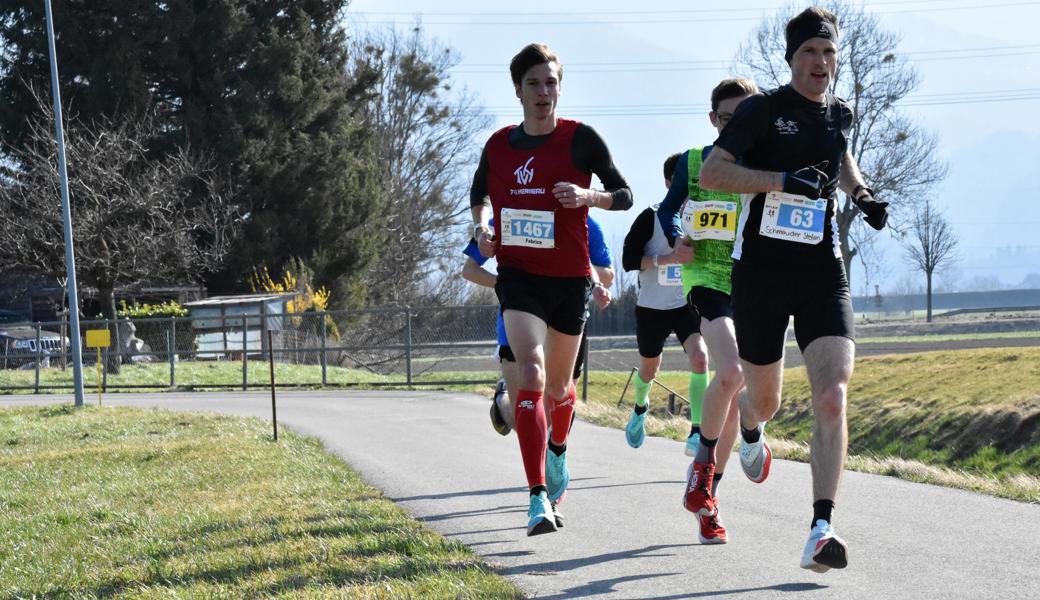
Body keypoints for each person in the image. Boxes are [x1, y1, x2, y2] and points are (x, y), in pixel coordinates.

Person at [698, 7, 889, 570]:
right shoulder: (761, 112)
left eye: (828, 53)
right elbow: (714, 172)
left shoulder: (838, 115)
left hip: (820, 273)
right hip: (760, 274)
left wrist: (862, 194)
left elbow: (841, 158)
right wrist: (782, 180)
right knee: (764, 400)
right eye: (810, 52)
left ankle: (821, 529)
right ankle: (752, 426)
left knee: (833, 395)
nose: (821, 63)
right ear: (791, 59)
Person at [469, 43, 632, 536]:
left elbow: (624, 194)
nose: (544, 92)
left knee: (561, 390)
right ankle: (537, 496)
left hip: (569, 280)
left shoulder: (581, 140)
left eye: (552, 83)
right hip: (519, 276)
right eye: (535, 84)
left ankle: (558, 448)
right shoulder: (499, 145)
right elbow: (479, 194)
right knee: (531, 371)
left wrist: (589, 196)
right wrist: (482, 228)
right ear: (517, 90)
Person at [656, 78, 759, 545]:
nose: (732, 126)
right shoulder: (695, 162)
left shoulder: (765, 165)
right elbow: (668, 210)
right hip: (706, 278)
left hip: (754, 281)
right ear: (712, 119)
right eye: (724, 118)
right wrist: (677, 236)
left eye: (743, 118)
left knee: (739, 390)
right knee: (732, 372)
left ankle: (707, 496)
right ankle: (705, 472)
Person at [460, 215, 614, 440]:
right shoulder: (508, 212)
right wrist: (516, 287)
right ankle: (504, 402)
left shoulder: (588, 223)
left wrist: (574, 274)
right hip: (518, 317)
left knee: (559, 409)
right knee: (524, 421)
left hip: (569, 317)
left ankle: (553, 461)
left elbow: (608, 275)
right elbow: (469, 270)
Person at [621, 155, 709, 457]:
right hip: (651, 308)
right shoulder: (650, 217)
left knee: (700, 358)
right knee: (649, 369)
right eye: (681, 181)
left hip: (685, 306)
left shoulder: (701, 217)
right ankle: (640, 409)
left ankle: (697, 430)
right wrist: (666, 260)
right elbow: (629, 260)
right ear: (669, 183)